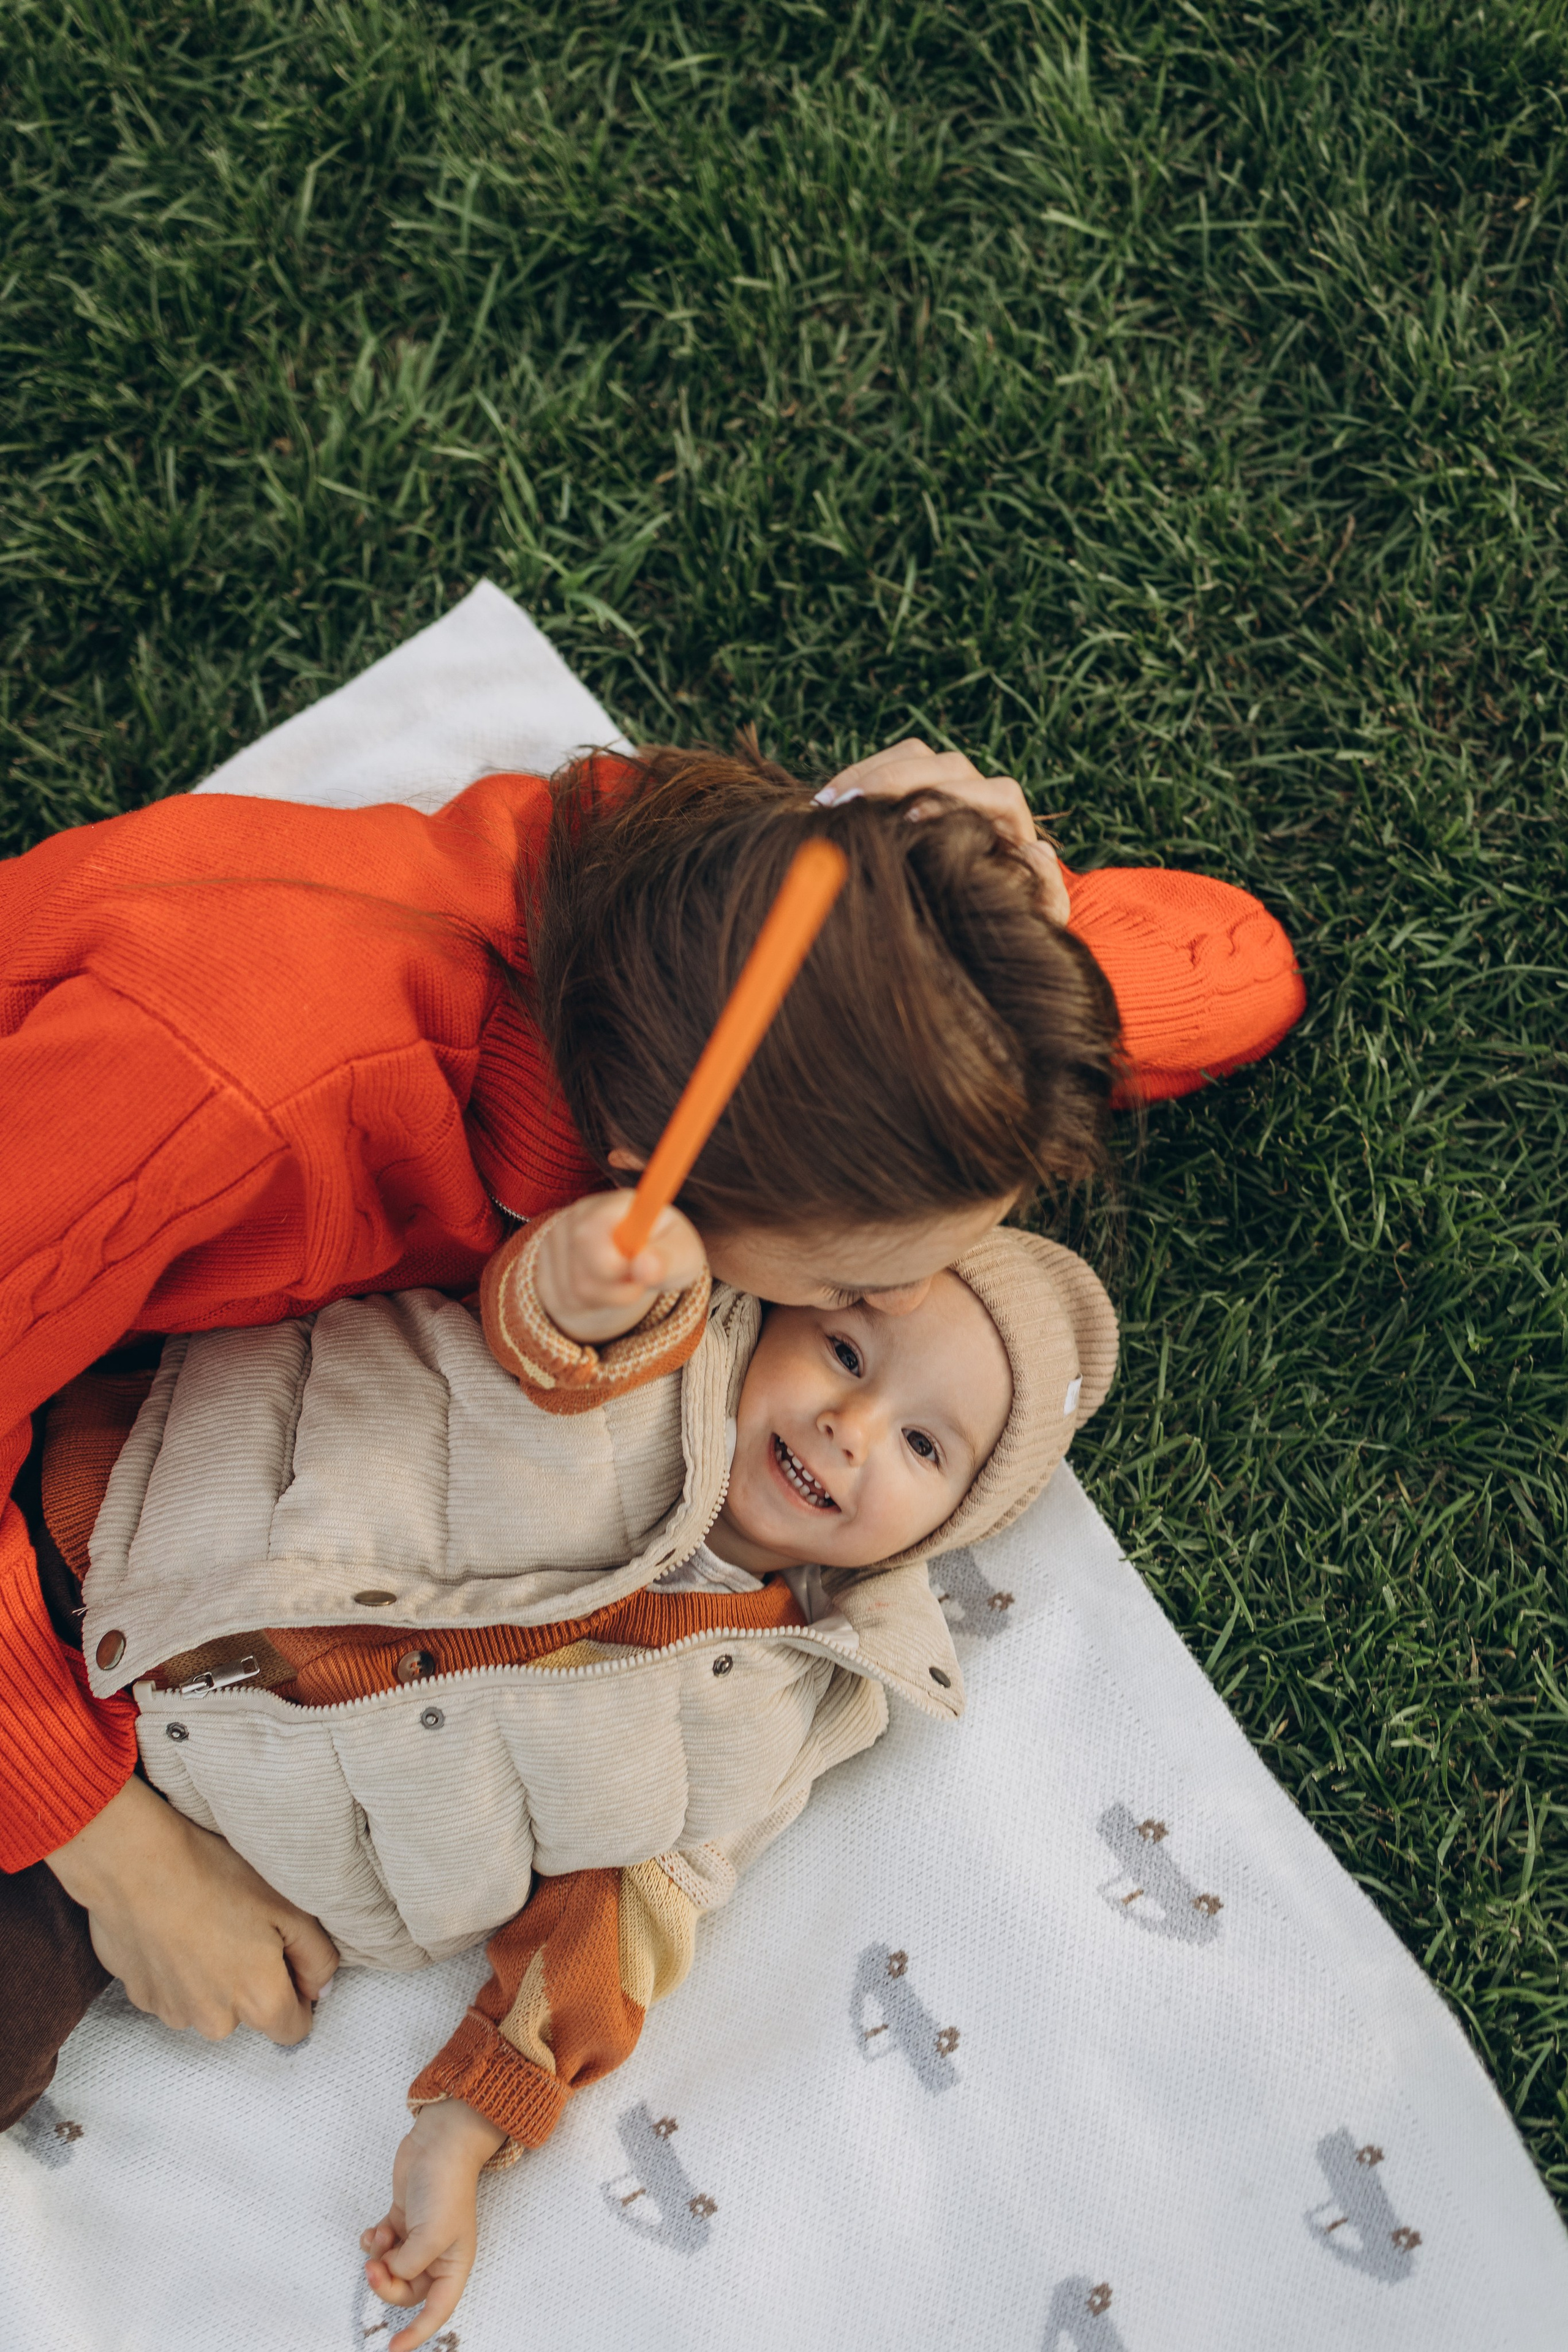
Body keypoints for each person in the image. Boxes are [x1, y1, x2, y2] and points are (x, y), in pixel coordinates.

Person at [0, 731, 1304, 2135]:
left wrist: (995, 907)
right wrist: (117, 1854)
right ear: (648, 1178)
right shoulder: (217, 1096)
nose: (851, 1376)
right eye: (836, 1300)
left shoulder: (734, 915)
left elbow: (1233, 962)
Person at [59, 1183, 1117, 2351]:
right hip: (117, 1515)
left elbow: (619, 1920)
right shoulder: (661, 1359)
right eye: (848, 1351)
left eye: (923, 1444)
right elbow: (560, 1322)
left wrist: (468, 2129)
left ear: (945, 1531)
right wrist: (585, 1283)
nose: (851, 1425)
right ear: (780, 1311)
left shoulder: (778, 1712)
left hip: (205, 1854)